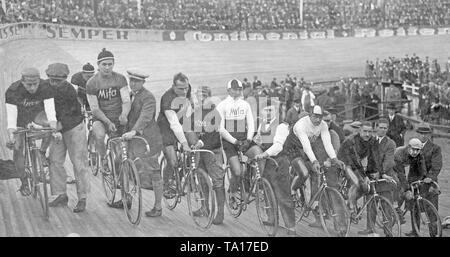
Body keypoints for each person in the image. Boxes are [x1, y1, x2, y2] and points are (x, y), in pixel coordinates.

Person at [108, 69, 165, 217]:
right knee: (120, 161)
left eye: (137, 81)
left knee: (153, 171)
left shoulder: (149, 98)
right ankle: (126, 199)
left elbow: (145, 117)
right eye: (131, 80)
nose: (133, 83)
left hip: (148, 140)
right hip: (131, 139)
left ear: (143, 82)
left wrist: (134, 131)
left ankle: (158, 207)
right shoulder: (127, 96)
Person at [279, 105, 345, 228]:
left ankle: (314, 203)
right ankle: (292, 190)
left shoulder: (323, 125)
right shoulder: (301, 125)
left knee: (317, 173)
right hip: (293, 150)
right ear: (310, 115)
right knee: (304, 172)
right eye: (315, 117)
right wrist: (314, 160)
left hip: (308, 151)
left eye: (320, 117)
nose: (318, 120)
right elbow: (306, 145)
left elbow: (327, 144)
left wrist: (334, 159)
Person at [44, 63, 90, 212]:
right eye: (51, 80)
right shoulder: (45, 87)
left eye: (58, 80)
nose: (54, 83)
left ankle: (82, 198)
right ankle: (61, 194)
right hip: (57, 126)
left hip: (74, 126)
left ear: (65, 78)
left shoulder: (70, 90)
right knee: (55, 160)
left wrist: (55, 127)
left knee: (79, 162)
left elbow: (67, 114)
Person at [5, 67, 58, 196]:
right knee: (18, 148)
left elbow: (51, 113)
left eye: (35, 84)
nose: (33, 87)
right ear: (22, 82)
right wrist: (12, 136)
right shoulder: (13, 90)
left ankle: (42, 152)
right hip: (19, 119)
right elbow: (11, 119)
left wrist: (54, 128)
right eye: (29, 84)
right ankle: (23, 181)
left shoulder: (45, 86)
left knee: (50, 127)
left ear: (39, 81)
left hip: (37, 115)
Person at [216, 79, 263, 201]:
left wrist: (248, 139)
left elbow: (251, 123)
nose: (238, 91)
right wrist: (235, 142)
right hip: (230, 142)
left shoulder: (245, 104)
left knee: (259, 154)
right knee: (237, 172)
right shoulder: (222, 105)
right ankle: (232, 192)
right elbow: (221, 129)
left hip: (244, 138)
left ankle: (251, 181)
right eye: (235, 89)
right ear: (229, 90)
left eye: (239, 89)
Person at [86, 48, 131, 173]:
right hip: (101, 118)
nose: (107, 67)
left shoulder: (120, 79)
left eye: (110, 64)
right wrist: (107, 122)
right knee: (99, 135)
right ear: (98, 65)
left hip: (117, 116)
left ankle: (120, 169)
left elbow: (126, 100)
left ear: (113, 64)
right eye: (104, 64)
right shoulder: (91, 83)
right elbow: (94, 108)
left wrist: (124, 114)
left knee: (120, 150)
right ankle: (104, 159)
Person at [254, 104, 296, 235]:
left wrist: (264, 153)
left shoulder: (281, 126)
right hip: (267, 163)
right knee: (268, 191)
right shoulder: (262, 125)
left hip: (279, 162)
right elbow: (259, 141)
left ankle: (291, 227)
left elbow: (278, 146)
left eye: (270, 110)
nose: (267, 113)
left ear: (276, 112)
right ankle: (272, 218)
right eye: (265, 110)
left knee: (283, 195)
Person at [187, 86, 226, 225]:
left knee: (217, 182)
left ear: (209, 96)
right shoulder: (195, 113)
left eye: (204, 94)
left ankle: (220, 213)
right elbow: (188, 128)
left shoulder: (215, 112)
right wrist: (189, 142)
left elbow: (213, 133)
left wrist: (200, 142)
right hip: (201, 151)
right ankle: (204, 208)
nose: (201, 97)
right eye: (199, 94)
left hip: (213, 151)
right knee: (202, 180)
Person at [358, 118, 399, 236]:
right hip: (371, 178)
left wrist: (380, 173)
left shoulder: (390, 143)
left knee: (387, 206)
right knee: (371, 204)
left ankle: (388, 231)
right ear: (376, 127)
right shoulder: (369, 141)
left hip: (384, 178)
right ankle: (370, 228)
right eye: (380, 127)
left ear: (388, 129)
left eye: (385, 128)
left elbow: (389, 161)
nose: (382, 130)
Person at [157, 72, 193, 198]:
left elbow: (190, 107)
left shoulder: (187, 89)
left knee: (195, 144)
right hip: (165, 128)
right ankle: (166, 185)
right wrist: (184, 143)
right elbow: (174, 124)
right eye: (181, 89)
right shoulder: (167, 98)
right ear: (173, 86)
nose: (184, 91)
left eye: (186, 88)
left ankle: (182, 176)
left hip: (181, 122)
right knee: (172, 161)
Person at [403, 123, 442, 236]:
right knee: (414, 208)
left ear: (429, 134)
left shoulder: (435, 148)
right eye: (421, 133)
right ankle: (415, 231)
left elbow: (436, 166)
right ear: (417, 133)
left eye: (426, 134)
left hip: (429, 184)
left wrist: (430, 177)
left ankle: (434, 234)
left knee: (431, 212)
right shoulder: (411, 146)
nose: (423, 136)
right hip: (415, 183)